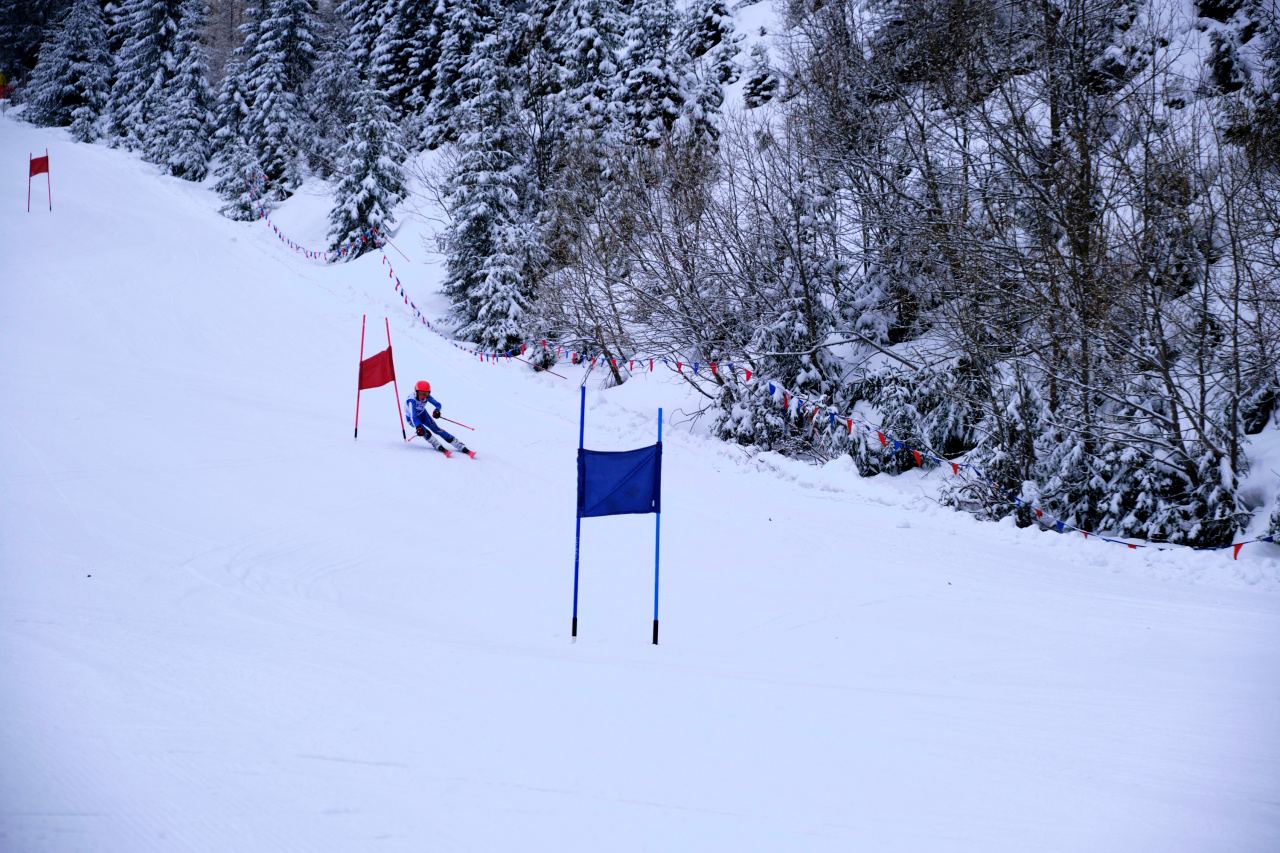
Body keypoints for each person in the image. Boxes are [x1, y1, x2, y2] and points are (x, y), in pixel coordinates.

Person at [405, 380, 475, 458]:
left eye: (426, 394)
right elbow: (413, 416)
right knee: (424, 432)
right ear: (416, 392)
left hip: (423, 414)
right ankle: (435, 444)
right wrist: (418, 427)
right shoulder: (411, 401)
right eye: (421, 393)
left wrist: (437, 410)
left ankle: (458, 444)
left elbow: (438, 404)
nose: (424, 396)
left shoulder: (427, 397)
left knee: (436, 429)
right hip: (412, 419)